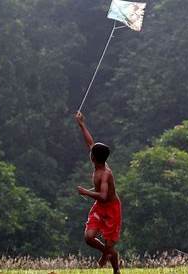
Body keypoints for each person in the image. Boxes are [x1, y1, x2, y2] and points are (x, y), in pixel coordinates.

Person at [75, 111, 122, 274]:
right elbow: (91, 143)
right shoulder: (98, 164)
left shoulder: (105, 174)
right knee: (89, 237)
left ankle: (116, 269)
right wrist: (82, 125)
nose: (89, 152)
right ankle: (106, 253)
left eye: (91, 152)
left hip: (112, 208)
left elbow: (103, 196)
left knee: (110, 244)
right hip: (100, 208)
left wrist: (85, 192)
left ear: (93, 158)